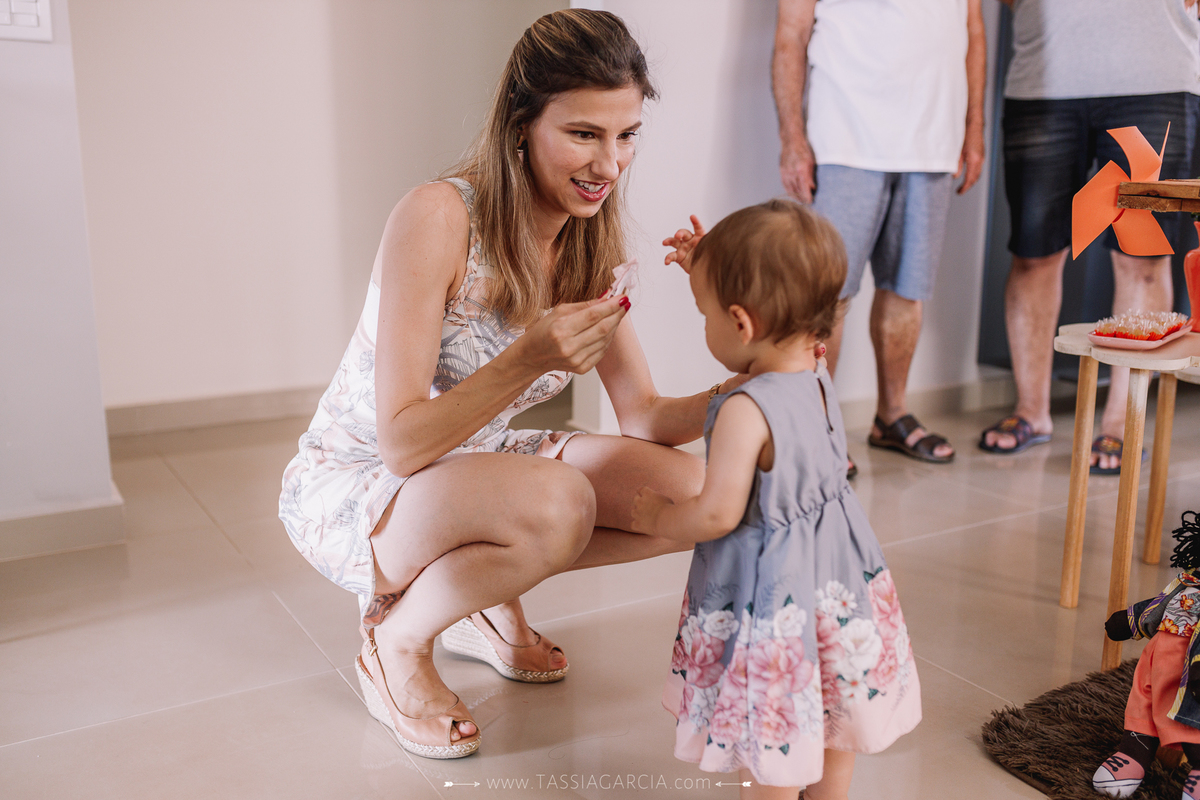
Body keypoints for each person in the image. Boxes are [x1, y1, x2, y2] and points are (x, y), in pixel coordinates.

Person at [278, 9, 733, 759]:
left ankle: (475, 602)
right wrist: (530, 358)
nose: (609, 164)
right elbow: (401, 442)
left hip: (476, 465)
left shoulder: (594, 246)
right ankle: (395, 641)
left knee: (695, 496)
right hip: (359, 483)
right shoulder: (439, 216)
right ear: (522, 122)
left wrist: (751, 381)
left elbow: (645, 418)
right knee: (559, 504)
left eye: (626, 136)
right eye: (584, 134)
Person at [632, 201, 921, 800]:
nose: (704, 323)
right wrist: (709, 267)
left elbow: (717, 512)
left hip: (776, 600)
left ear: (742, 323)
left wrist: (657, 515)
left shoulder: (745, 409)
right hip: (836, 585)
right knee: (832, 707)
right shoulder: (816, 371)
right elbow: (781, 297)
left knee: (774, 741)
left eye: (704, 312)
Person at [980, 0, 1200, 473]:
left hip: (1155, 73)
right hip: (1045, 76)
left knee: (1142, 258)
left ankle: (1121, 422)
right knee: (1033, 252)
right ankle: (1031, 411)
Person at [772, 0, 986, 472]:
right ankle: (818, 428)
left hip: (932, 141)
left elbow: (972, 29)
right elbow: (791, 34)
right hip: (845, 137)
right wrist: (793, 139)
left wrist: (973, 128)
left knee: (908, 290)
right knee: (830, 296)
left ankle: (891, 416)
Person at [1094, 510, 1200, 799]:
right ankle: (1135, 749)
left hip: (1193, 676)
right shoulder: (1189, 583)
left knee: (1194, 719)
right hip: (1157, 663)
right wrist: (1130, 619)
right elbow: (1160, 605)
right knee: (1143, 698)